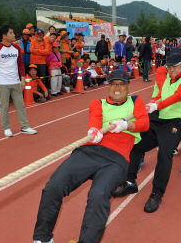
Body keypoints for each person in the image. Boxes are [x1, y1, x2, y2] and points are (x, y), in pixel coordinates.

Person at [32, 69, 149, 243]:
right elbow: (94, 120)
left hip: (115, 160)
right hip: (89, 152)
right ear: (108, 86)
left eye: (122, 84)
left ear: (128, 86)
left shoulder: (135, 101)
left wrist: (126, 125)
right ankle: (42, 238)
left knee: (98, 196)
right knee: (53, 187)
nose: (118, 88)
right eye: (114, 84)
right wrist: (94, 130)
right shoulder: (97, 103)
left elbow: (144, 123)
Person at [113, 53, 181, 213]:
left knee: (164, 154)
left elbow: (180, 96)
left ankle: (157, 193)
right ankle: (130, 183)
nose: (171, 70)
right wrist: (150, 105)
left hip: (177, 122)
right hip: (160, 118)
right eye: (169, 67)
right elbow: (161, 95)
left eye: (174, 66)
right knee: (136, 145)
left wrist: (158, 106)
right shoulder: (167, 78)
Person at [0, 24, 37, 137]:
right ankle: (6, 128)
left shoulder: (17, 48)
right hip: (2, 82)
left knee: (20, 105)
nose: (14, 35)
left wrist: (22, 79)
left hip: (15, 81)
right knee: (4, 106)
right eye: (11, 33)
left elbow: (21, 65)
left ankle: (25, 127)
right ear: (4, 36)